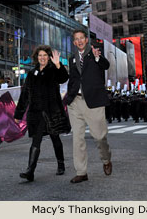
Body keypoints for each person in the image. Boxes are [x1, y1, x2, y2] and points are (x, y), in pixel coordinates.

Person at [14, 45, 70, 182]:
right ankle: (30, 171)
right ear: (36, 57)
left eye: (45, 55)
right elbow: (25, 94)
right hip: (37, 113)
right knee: (36, 140)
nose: (42, 58)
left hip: (52, 111)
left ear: (49, 57)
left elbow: (63, 78)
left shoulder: (53, 71)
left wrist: (58, 65)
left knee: (55, 138)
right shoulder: (32, 73)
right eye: (40, 55)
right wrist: (18, 114)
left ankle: (61, 164)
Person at [66, 29, 112, 184]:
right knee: (77, 138)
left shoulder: (95, 54)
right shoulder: (72, 59)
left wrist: (98, 58)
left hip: (94, 102)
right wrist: (69, 97)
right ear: (74, 42)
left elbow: (106, 65)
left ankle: (106, 160)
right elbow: (73, 79)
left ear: (86, 40)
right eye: (76, 39)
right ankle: (81, 172)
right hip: (76, 103)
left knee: (99, 137)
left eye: (81, 38)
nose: (79, 41)